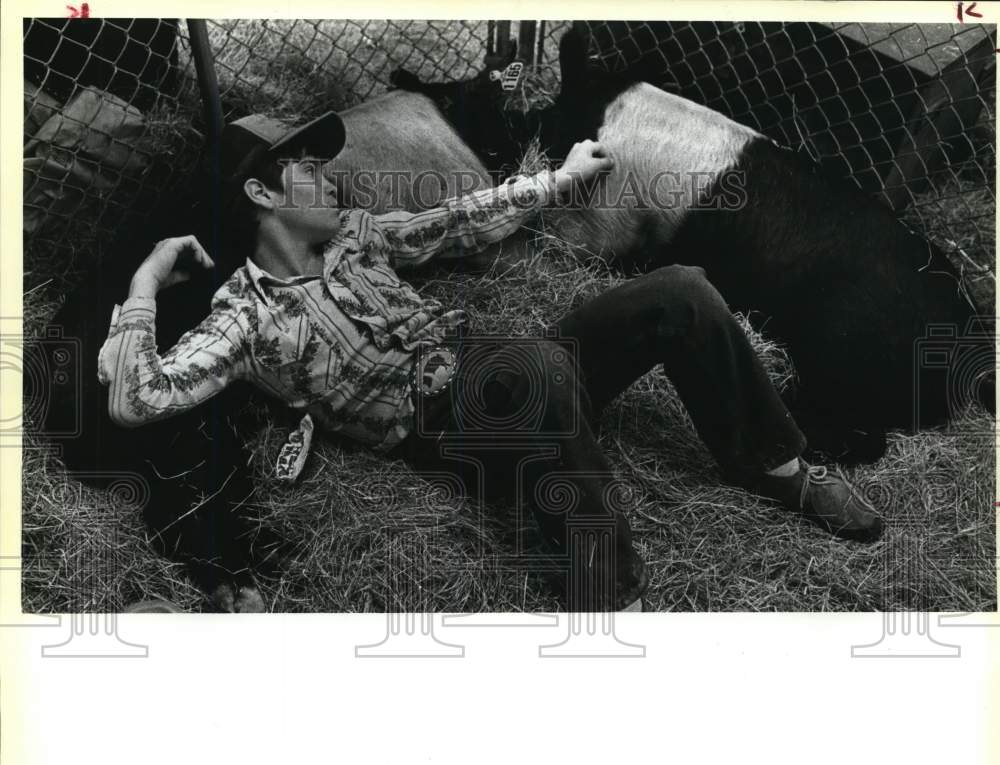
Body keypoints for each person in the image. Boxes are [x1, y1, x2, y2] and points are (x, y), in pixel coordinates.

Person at [98, 110, 883, 612]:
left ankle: (778, 467)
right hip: (445, 424)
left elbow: (456, 222)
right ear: (264, 197)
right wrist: (147, 279)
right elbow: (140, 397)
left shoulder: (356, 237)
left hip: (502, 369)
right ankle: (608, 598)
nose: (328, 175)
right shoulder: (244, 314)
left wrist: (560, 178)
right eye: (307, 167)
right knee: (535, 368)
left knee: (680, 290)